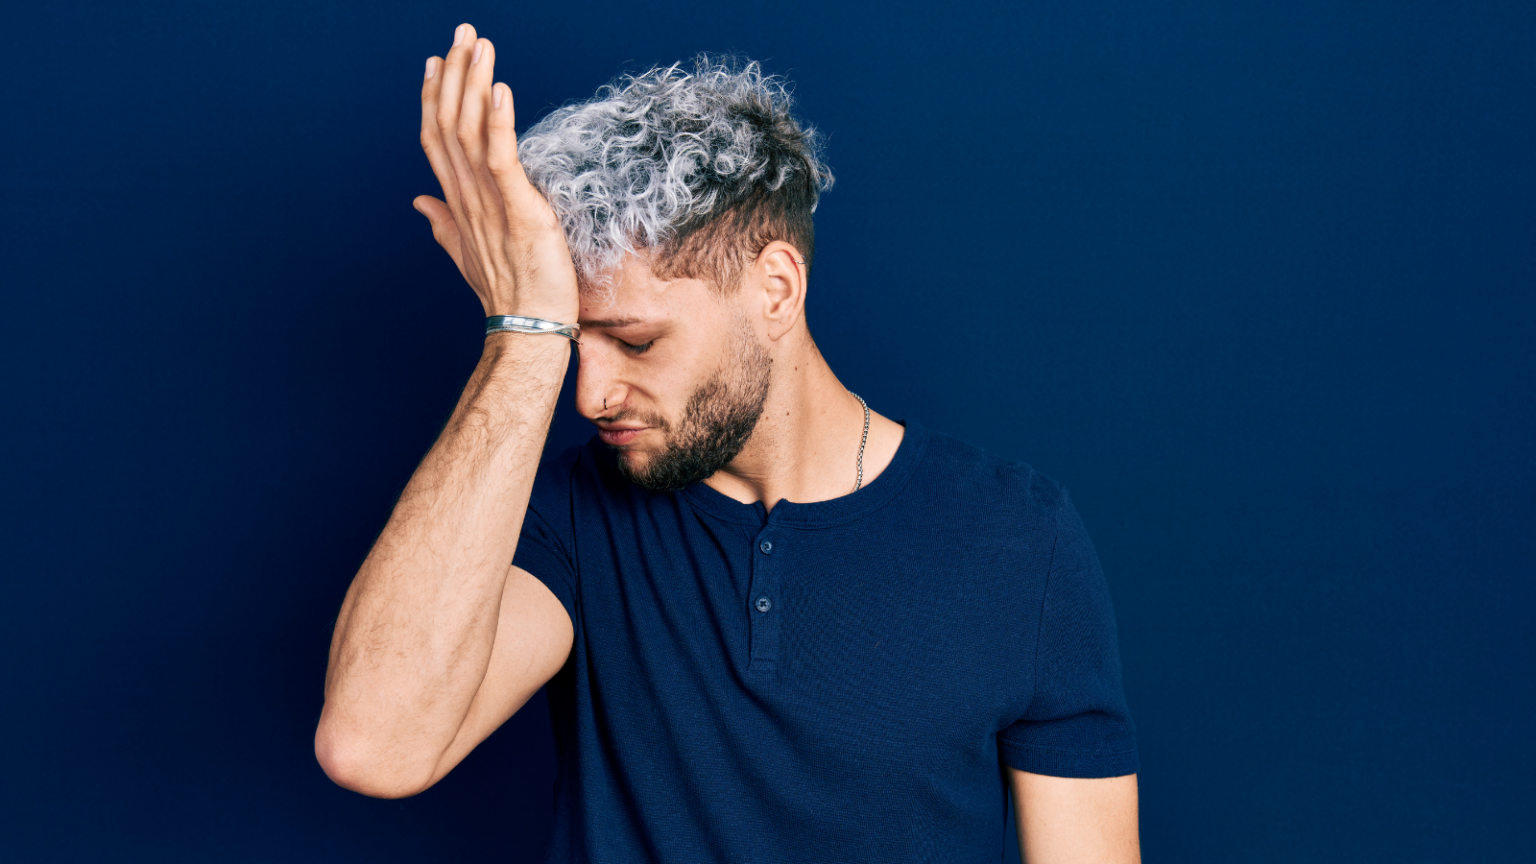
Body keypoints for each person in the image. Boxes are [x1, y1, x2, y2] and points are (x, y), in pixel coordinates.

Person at [315, 22, 1141, 863]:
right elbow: (374, 746)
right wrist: (521, 337)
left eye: (635, 341)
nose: (590, 396)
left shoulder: (1018, 539)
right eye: (571, 342)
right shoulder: (568, 514)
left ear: (775, 290)